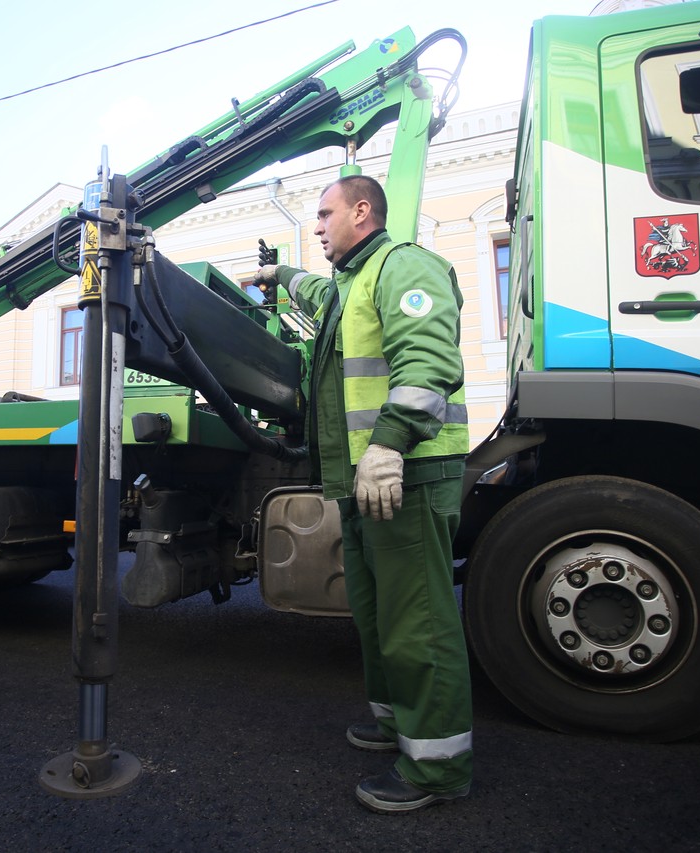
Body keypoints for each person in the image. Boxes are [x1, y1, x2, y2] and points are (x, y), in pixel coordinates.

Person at [256, 174, 472, 814]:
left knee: (418, 621)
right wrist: (281, 279)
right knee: (378, 614)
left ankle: (438, 767)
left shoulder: (405, 265)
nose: (318, 225)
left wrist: (389, 445)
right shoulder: (352, 284)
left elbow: (429, 358)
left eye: (324, 214)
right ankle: (398, 723)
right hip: (365, 476)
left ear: (361, 210)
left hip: (404, 470)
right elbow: (321, 292)